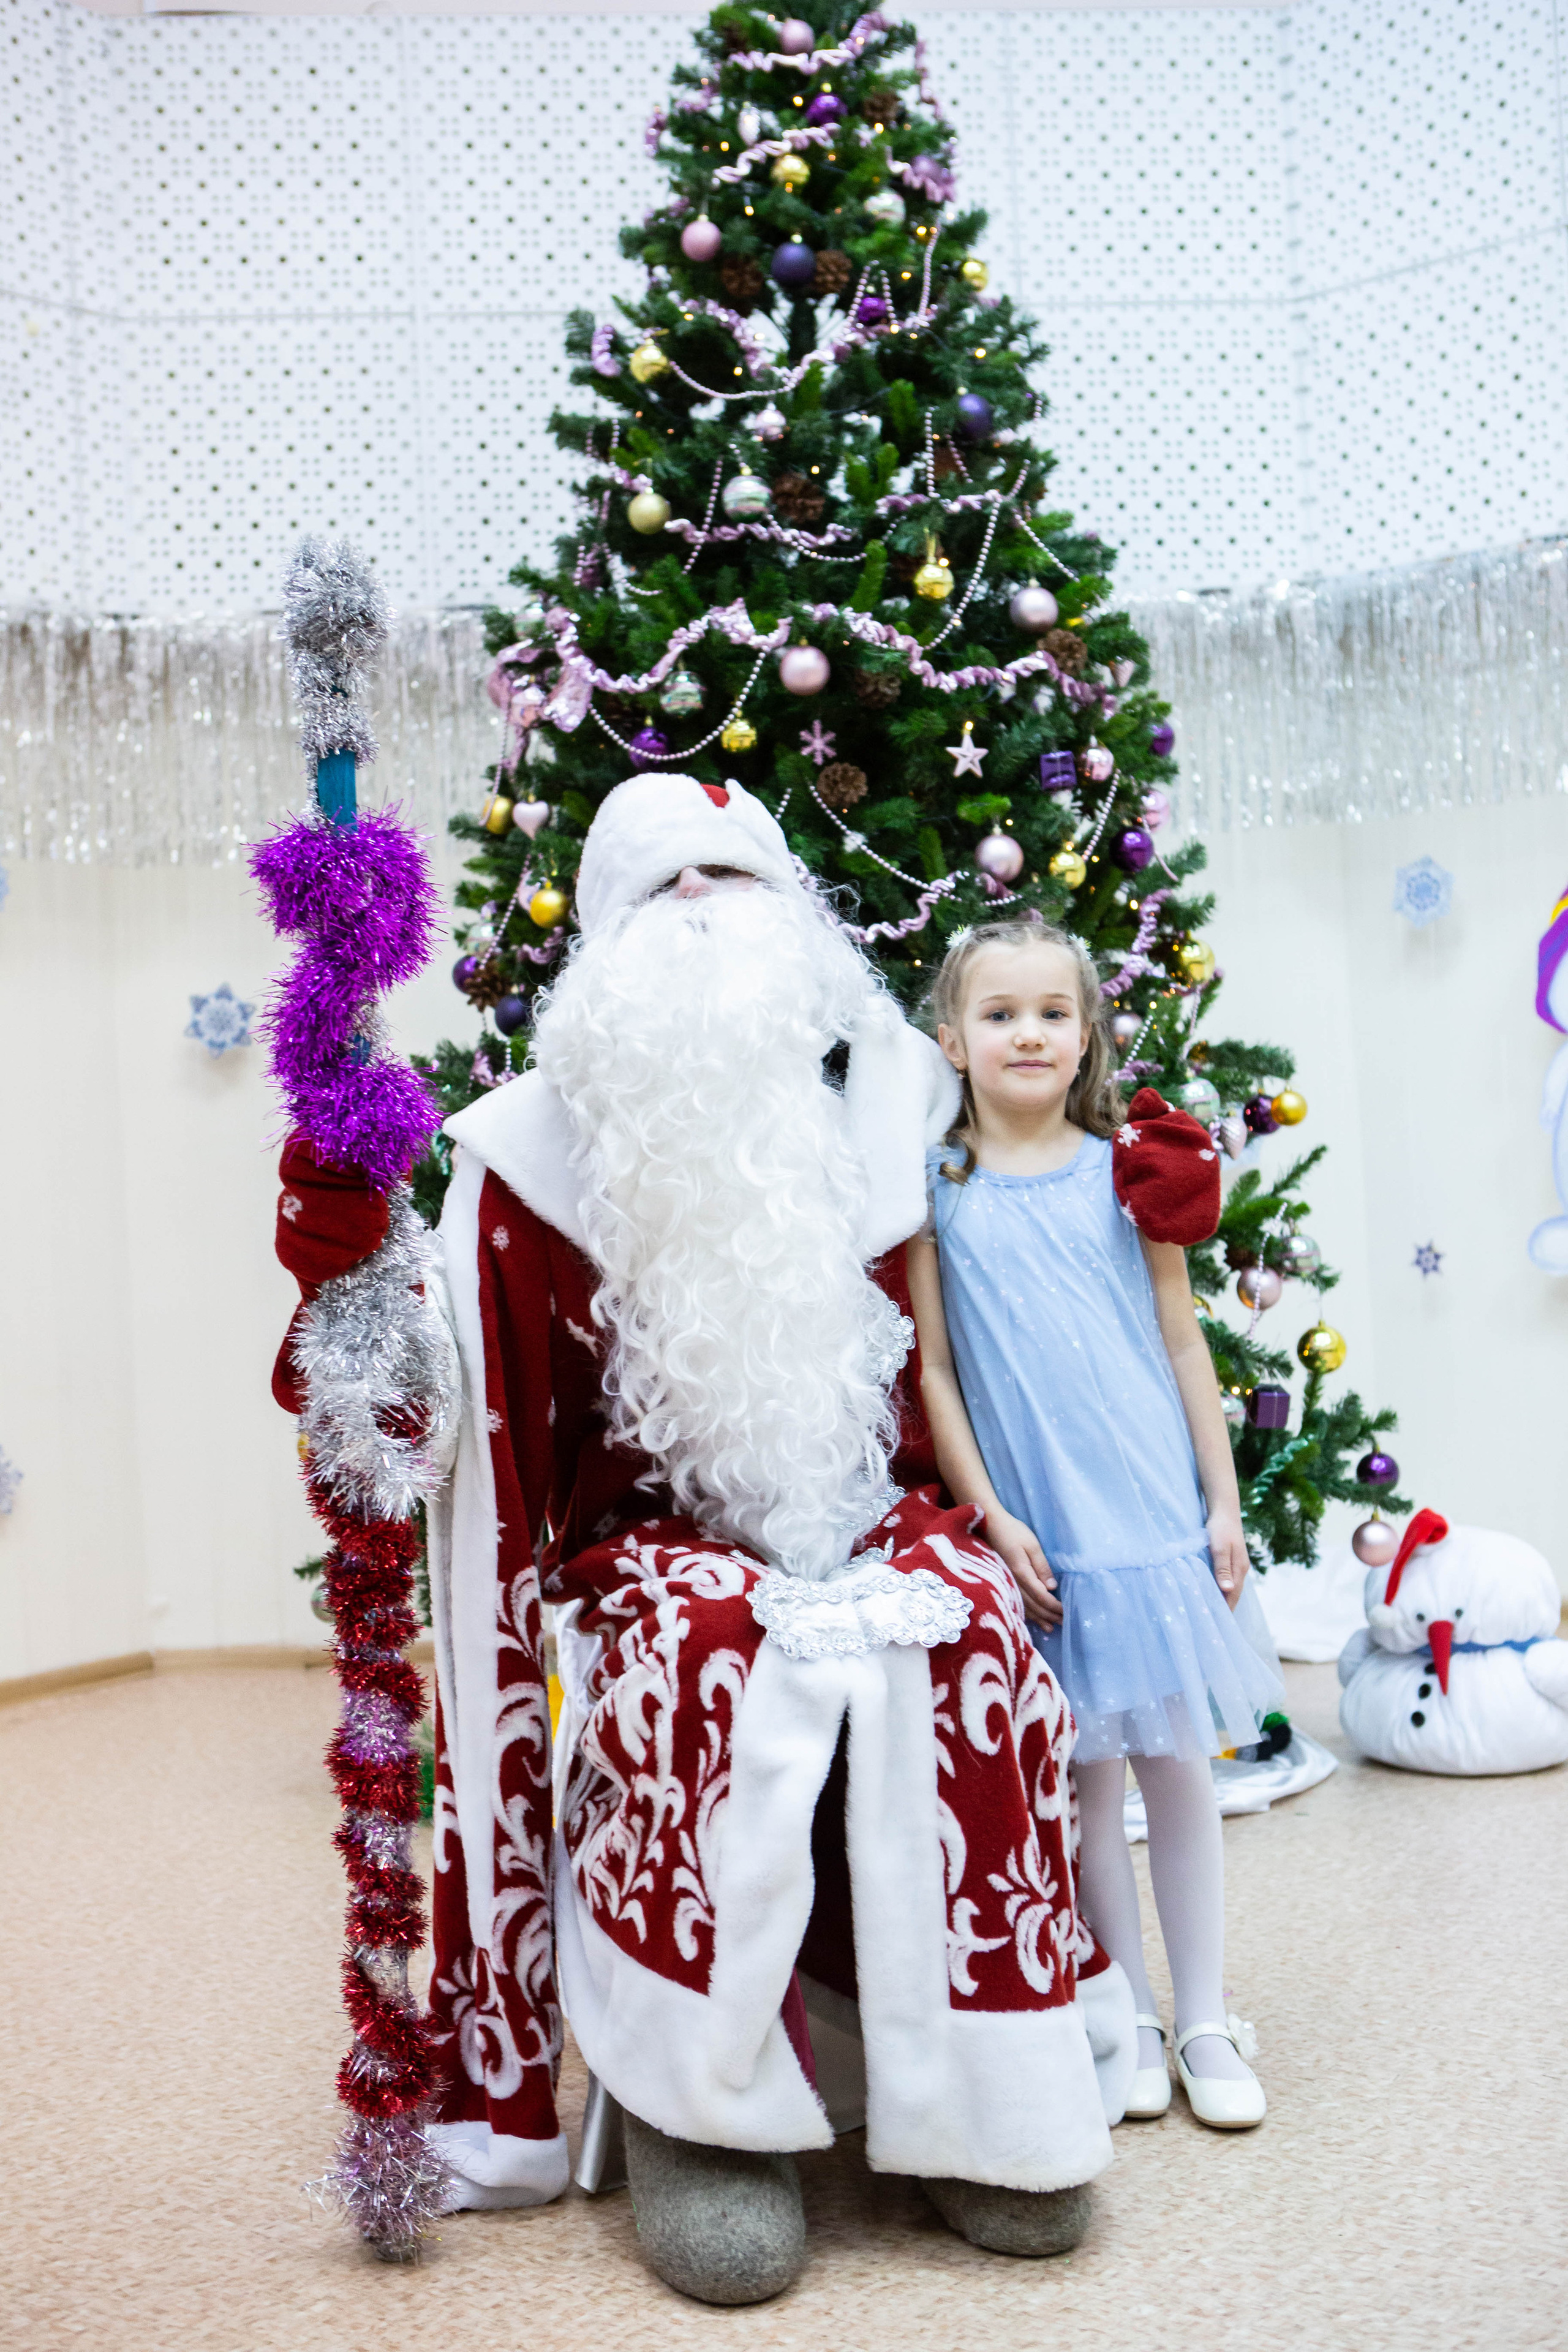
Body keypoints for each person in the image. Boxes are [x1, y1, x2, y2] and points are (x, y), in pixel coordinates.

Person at [394, 780, 1135, 2302]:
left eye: (737, 881)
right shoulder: (524, 1162)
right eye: (670, 890)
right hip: (646, 1543)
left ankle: (991, 2099)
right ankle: (707, 2112)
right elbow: (467, 1428)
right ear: (605, 946)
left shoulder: (878, 1118)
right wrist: (365, 1335)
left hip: (862, 1515)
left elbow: (953, 1359)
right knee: (712, 1654)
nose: (708, 915)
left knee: (965, 1627)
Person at [907, 919, 1283, 2133]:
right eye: (999, 1012)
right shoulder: (934, 1189)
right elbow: (934, 1373)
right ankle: (1115, 2008)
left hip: (1151, 1518)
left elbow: (1181, 1342)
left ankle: (1204, 2017)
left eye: (1051, 1013)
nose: (1027, 1032)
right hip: (1041, 1533)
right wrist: (991, 1517)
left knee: (1174, 1768)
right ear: (950, 1037)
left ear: (1084, 1034)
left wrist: (1219, 1502)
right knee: (1082, 1779)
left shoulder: (1129, 1170)